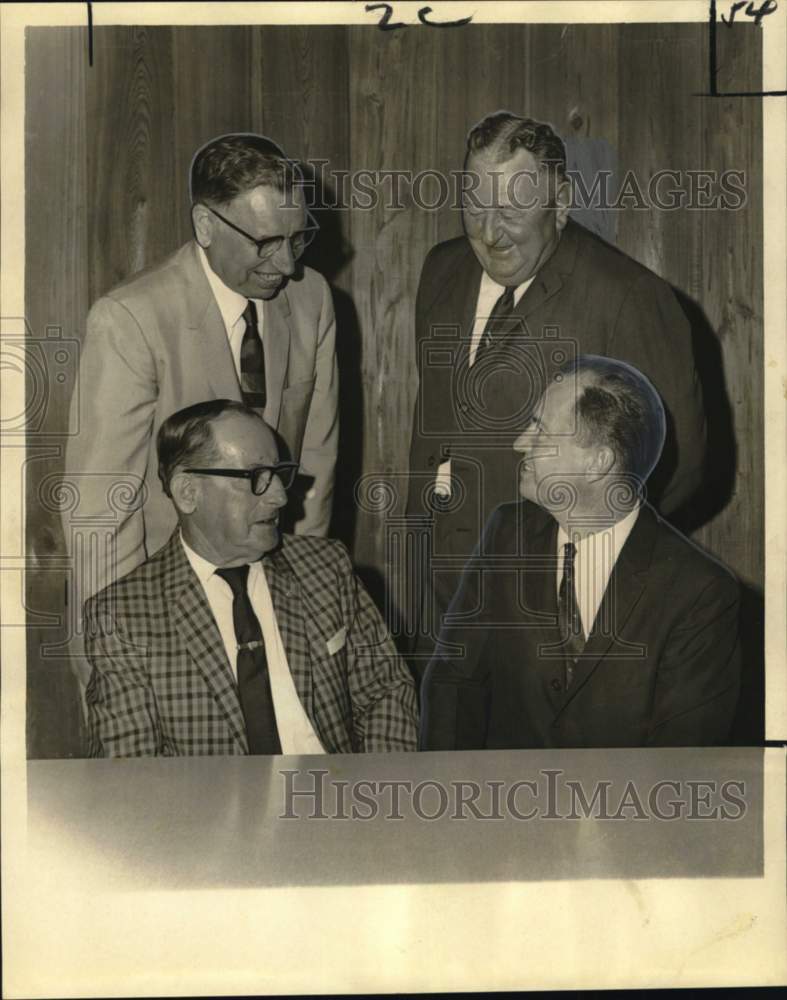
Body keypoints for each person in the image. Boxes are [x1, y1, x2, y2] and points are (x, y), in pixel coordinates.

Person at [406, 111, 706, 667]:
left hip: (551, 617)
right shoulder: (440, 270)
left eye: (513, 211)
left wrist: (581, 564)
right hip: (438, 606)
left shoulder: (629, 297)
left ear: (561, 204)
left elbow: (679, 463)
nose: (489, 233)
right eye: (475, 205)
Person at [65, 133, 338, 621]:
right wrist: (122, 641)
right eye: (266, 242)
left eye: (298, 238)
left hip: (273, 591)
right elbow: (102, 509)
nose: (288, 264)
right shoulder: (132, 318)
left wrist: (304, 603)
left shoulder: (312, 299)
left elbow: (315, 465)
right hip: (166, 600)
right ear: (206, 225)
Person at [420, 356, 740, 749]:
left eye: (540, 432)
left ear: (597, 462)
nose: (520, 443)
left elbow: (683, 767)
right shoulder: (507, 536)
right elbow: (454, 682)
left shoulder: (701, 596)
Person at [84, 400, 417, 757]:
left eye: (278, 474)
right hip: (214, 810)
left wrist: (376, 796)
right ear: (188, 492)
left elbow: (387, 691)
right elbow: (132, 772)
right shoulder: (123, 615)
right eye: (256, 478)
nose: (279, 496)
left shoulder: (325, 567)